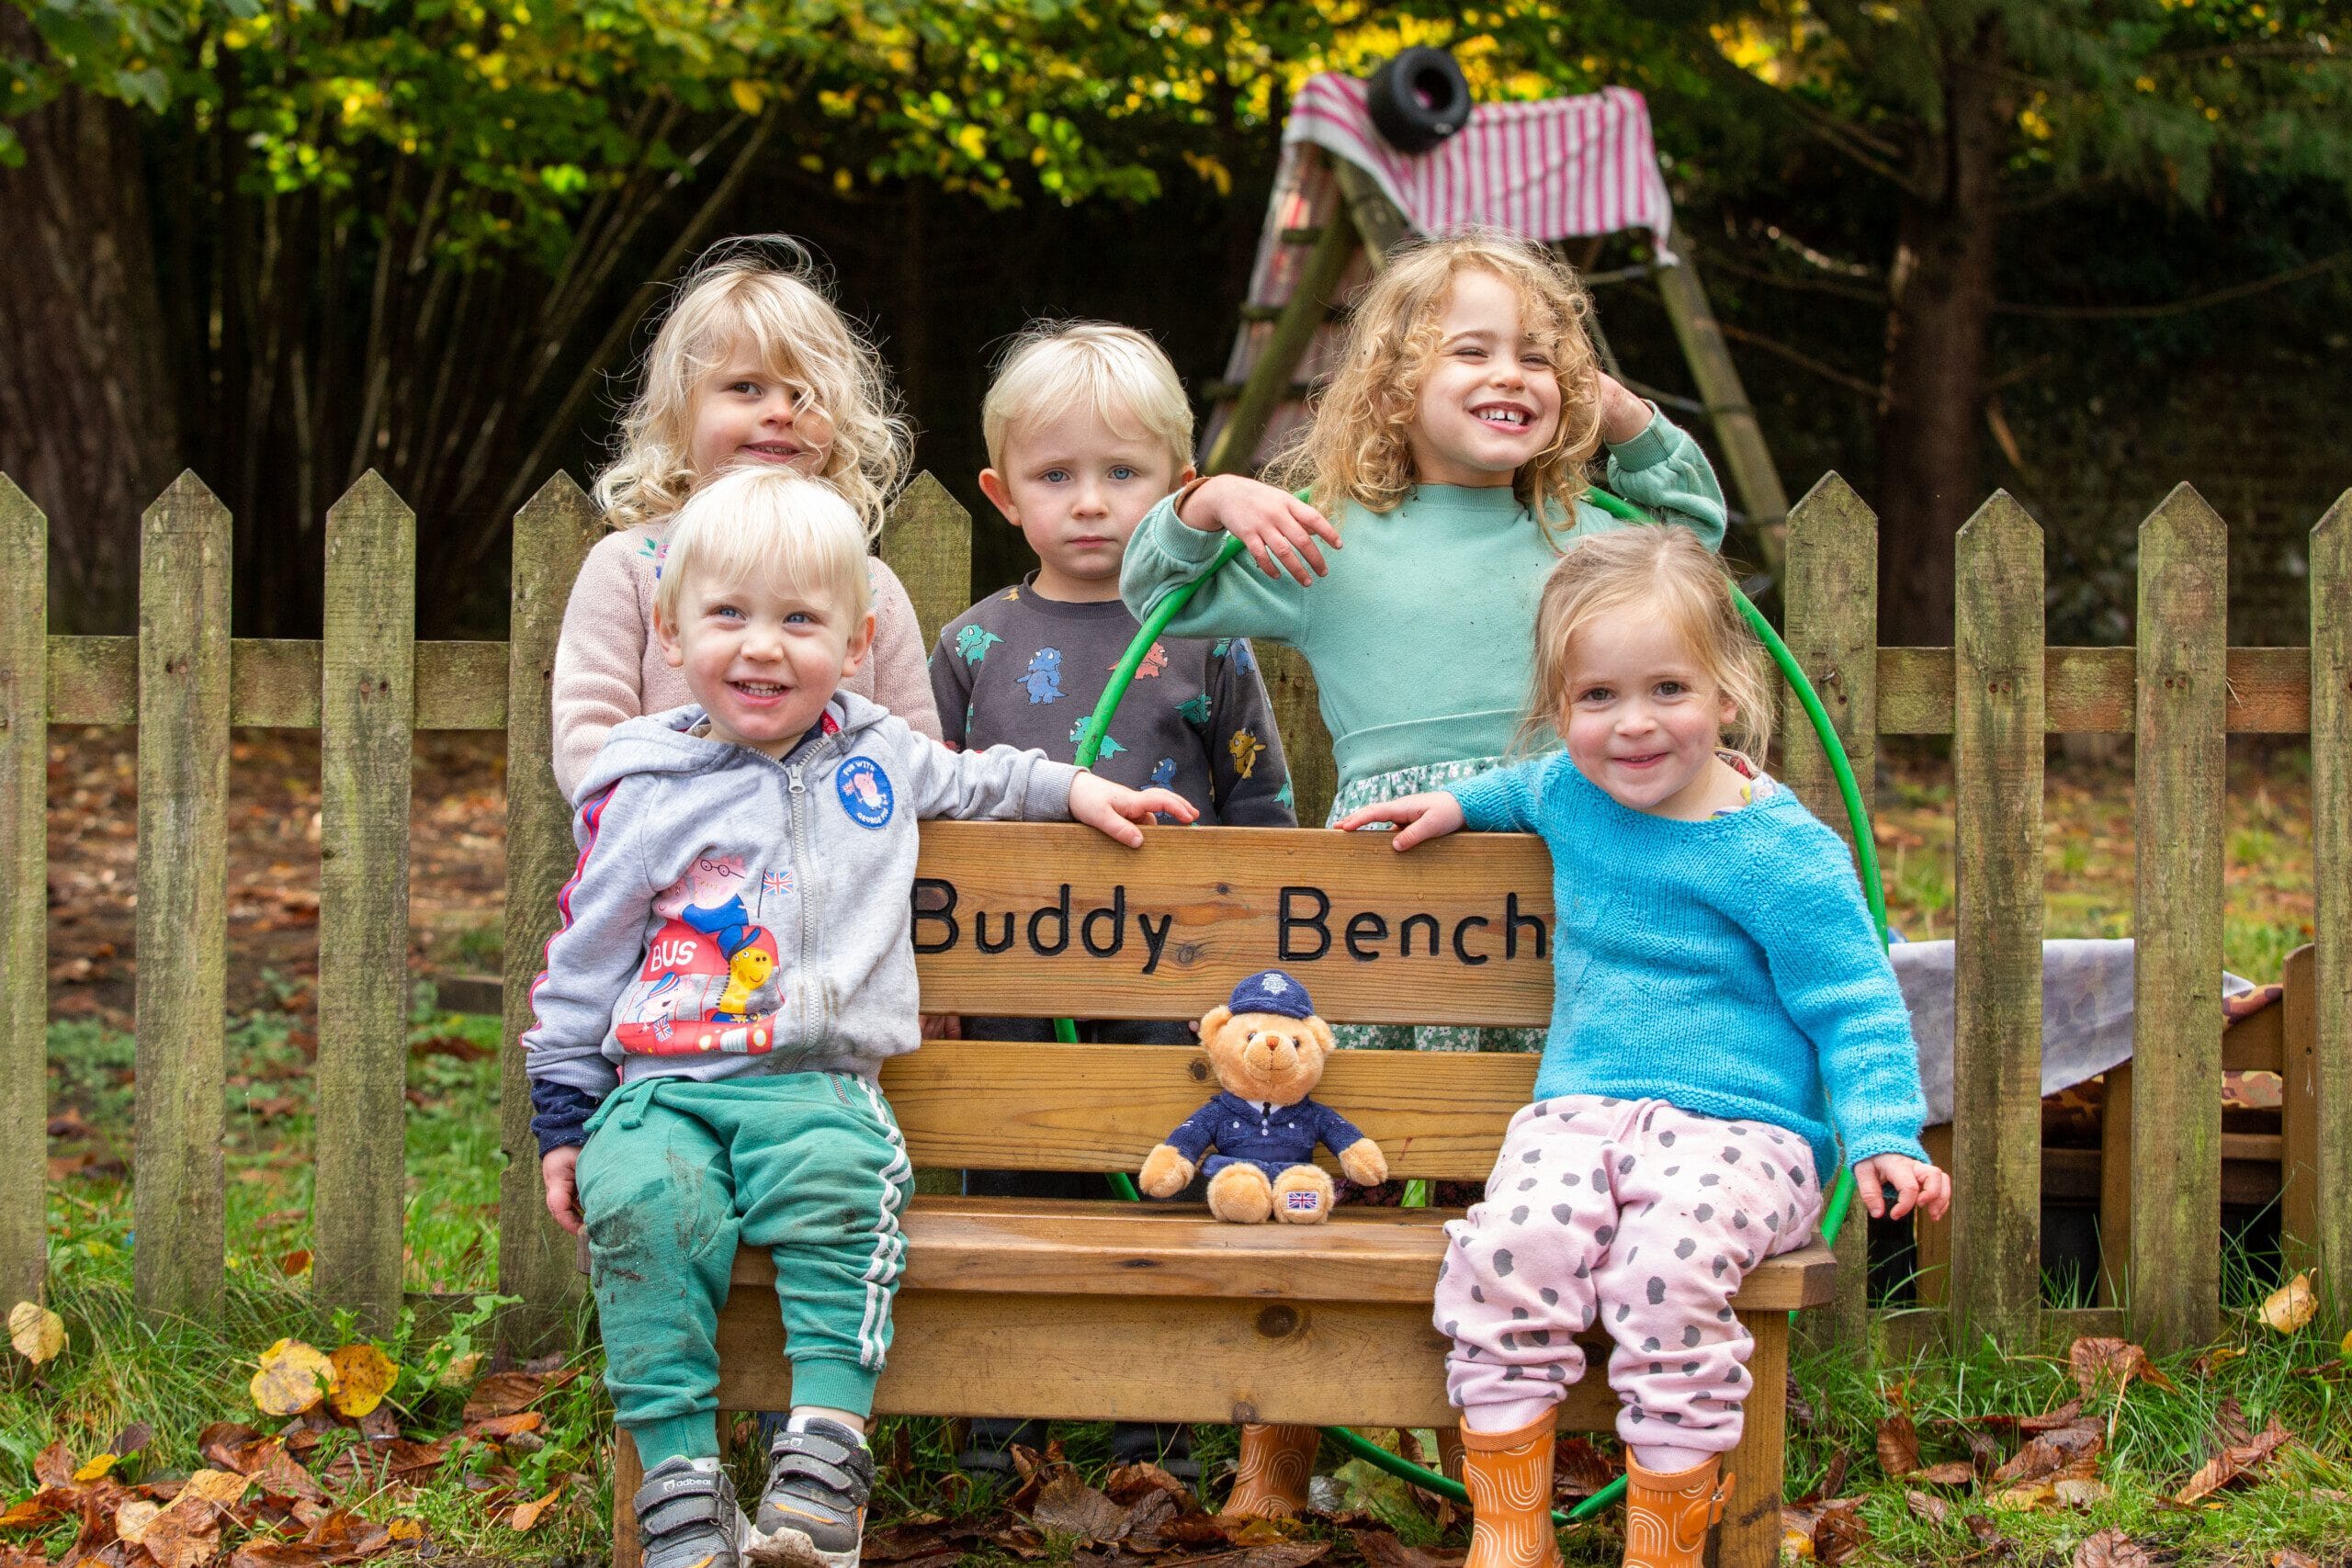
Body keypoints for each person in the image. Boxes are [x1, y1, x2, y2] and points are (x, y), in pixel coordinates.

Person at [1117, 225, 1727, 1511]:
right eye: (1473, 350)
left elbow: (1697, 534)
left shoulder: (1575, 528)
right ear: (1394, 384)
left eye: (1540, 355)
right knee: (1337, 1156)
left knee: (1497, 1172)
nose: (1513, 373)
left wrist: (1624, 415)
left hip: (1537, 890)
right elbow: (1152, 591)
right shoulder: (1333, 536)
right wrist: (1209, 498)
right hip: (1387, 901)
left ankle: (1478, 1450)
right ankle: (1275, 1447)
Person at [525, 468, 1193, 1568]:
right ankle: (682, 1488)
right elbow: (582, 957)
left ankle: (819, 1468)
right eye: (727, 616)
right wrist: (565, 1117)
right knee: (639, 1207)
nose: (762, 648)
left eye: (800, 621)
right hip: (663, 1089)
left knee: (843, 1193)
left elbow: (981, 780)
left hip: (821, 1083)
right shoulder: (643, 786)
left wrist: (1076, 789)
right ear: (670, 628)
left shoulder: (877, 753)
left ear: (854, 642)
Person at [1336, 526, 1950, 1568]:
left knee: (1661, 1276)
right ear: (1558, 707)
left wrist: (1887, 1130)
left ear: (1726, 693)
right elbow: (1519, 789)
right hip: (1578, 1112)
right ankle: (1510, 1536)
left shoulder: (1781, 852)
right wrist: (1453, 804)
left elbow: (1854, 1001)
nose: (1632, 726)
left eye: (1667, 689)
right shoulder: (1568, 795)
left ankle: (1659, 1549)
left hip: (1742, 1134)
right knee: (1503, 1249)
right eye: (1596, 698)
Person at [930, 321, 1295, 1482]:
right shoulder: (973, 645)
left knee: (1171, 1174)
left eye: (1123, 475)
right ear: (1003, 493)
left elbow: (1265, 814)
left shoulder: (1205, 641)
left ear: (1177, 488)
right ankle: (1003, 1426)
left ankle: (1164, 1431)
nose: (1090, 504)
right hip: (1007, 977)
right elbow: (920, 824)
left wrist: (1256, 977)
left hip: (1171, 988)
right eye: (1056, 476)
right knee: (1009, 1180)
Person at [551, 235, 941, 803]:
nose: (781, 413)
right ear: (682, 411)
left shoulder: (867, 583)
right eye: (745, 387)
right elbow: (590, 740)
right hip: (673, 868)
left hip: (831, 876)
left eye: (806, 395)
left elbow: (917, 751)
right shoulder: (628, 568)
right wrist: (695, 818)